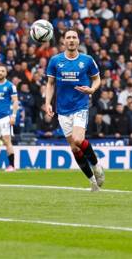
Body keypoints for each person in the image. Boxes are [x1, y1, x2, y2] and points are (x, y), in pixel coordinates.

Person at [45, 27, 105, 191]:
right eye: (68, 37)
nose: (71, 40)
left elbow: (97, 79)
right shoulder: (55, 61)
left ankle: (97, 166)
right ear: (63, 41)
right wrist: (47, 102)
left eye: (74, 37)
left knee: (79, 140)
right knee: (74, 148)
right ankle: (93, 181)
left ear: (78, 41)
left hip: (80, 106)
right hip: (62, 110)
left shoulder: (87, 60)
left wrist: (92, 90)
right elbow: (50, 84)